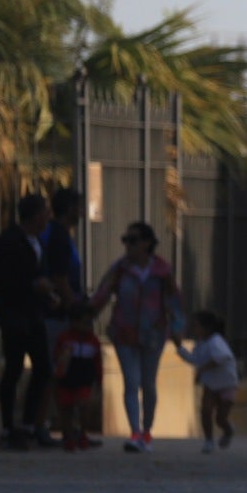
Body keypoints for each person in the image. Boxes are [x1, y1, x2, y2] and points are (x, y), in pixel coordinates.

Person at [90, 221, 185, 453]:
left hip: (153, 333)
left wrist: (177, 329)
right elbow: (103, 293)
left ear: (147, 243)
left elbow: (174, 301)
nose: (128, 245)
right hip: (125, 332)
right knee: (131, 382)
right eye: (126, 240)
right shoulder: (120, 269)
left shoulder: (162, 271)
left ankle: (147, 430)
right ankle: (135, 432)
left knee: (148, 384)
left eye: (133, 240)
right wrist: (86, 314)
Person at [0, 193, 56, 449]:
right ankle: (8, 428)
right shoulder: (10, 241)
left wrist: (47, 293)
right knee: (14, 368)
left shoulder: (37, 240)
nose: (47, 217)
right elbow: (3, 279)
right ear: (36, 215)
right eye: (44, 212)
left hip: (33, 313)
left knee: (43, 368)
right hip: (14, 313)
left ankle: (29, 423)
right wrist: (32, 286)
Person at [40, 188, 87, 443]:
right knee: (54, 369)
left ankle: (65, 426)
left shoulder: (59, 234)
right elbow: (59, 277)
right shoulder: (58, 235)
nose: (81, 212)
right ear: (69, 208)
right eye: (79, 207)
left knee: (58, 370)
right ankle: (43, 424)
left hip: (58, 313)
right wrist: (74, 305)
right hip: (56, 315)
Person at [172, 309, 239, 453]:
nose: (194, 330)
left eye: (196, 326)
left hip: (227, 383)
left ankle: (227, 429)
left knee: (220, 418)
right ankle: (209, 440)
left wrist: (202, 370)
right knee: (205, 410)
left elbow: (222, 357)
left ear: (206, 328)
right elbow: (193, 359)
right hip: (211, 384)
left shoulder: (216, 341)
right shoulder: (201, 345)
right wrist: (179, 347)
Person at [50, 303, 103, 452]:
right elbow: (57, 358)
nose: (86, 326)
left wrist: (98, 380)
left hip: (84, 380)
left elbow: (97, 362)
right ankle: (68, 436)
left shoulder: (93, 342)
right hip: (66, 380)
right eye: (83, 322)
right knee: (66, 409)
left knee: (84, 406)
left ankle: (82, 433)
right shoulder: (65, 339)